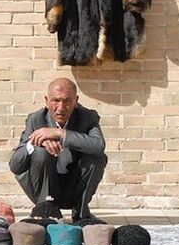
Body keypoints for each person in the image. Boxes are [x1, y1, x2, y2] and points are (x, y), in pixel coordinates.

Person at [9, 78, 107, 221]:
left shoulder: (88, 117)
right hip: (44, 186)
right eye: (55, 100)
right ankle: (44, 211)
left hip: (74, 186)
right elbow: (15, 166)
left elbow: (98, 145)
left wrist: (60, 134)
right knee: (40, 152)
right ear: (46, 101)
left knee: (97, 156)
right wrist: (34, 142)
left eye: (67, 101)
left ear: (76, 101)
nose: (61, 108)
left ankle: (80, 214)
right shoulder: (35, 119)